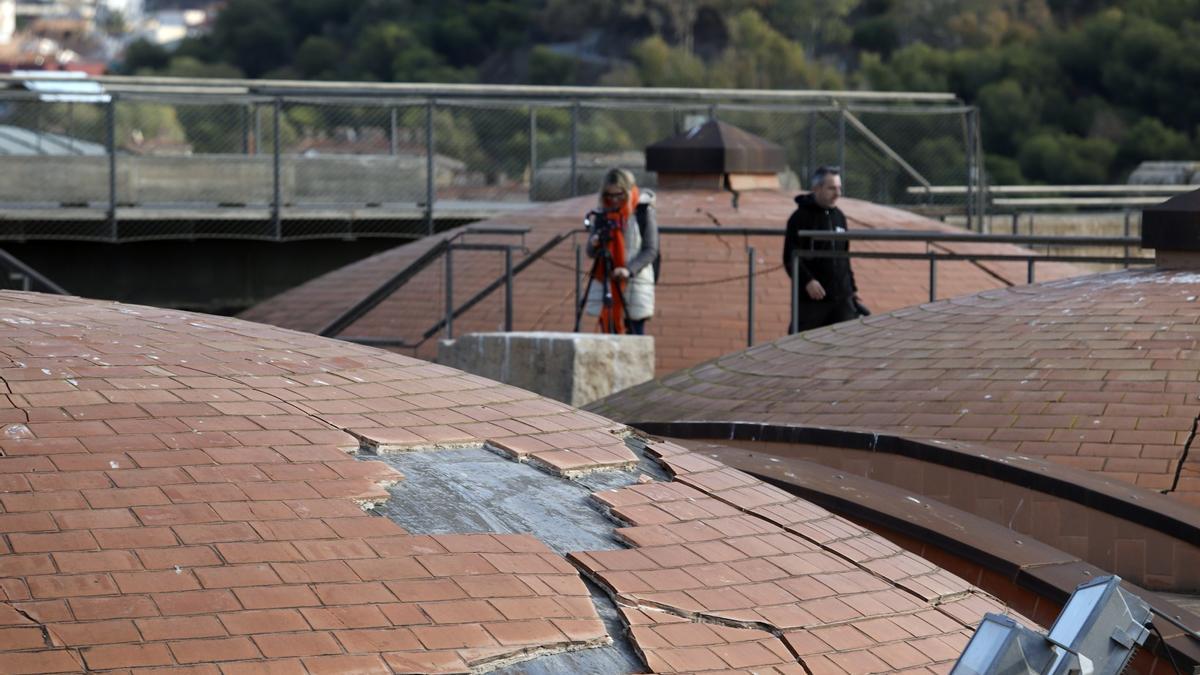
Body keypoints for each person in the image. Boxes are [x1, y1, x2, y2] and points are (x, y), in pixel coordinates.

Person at [783, 165, 863, 334]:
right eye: (831, 188)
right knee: (801, 343)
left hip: (842, 298)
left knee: (845, 342)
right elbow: (790, 257)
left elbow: (844, 256)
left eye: (839, 188)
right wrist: (807, 281)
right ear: (816, 188)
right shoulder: (800, 218)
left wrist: (852, 289)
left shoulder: (839, 216)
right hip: (813, 299)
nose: (838, 193)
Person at [584, 168, 658, 335]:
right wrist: (595, 242)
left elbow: (651, 250)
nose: (614, 200)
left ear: (628, 192)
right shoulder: (602, 212)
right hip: (607, 281)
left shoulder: (643, 211)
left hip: (635, 283)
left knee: (635, 336)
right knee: (608, 336)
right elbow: (590, 252)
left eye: (619, 195)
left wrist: (628, 270)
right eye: (609, 195)